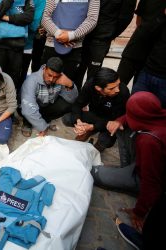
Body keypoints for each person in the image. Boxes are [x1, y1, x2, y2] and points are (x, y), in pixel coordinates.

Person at [91, 91, 166, 237]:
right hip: (148, 164)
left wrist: (139, 212)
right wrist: (120, 120)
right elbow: (128, 118)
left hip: (150, 180)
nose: (128, 116)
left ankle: (131, 184)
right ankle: (126, 171)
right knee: (119, 127)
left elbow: (152, 184)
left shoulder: (149, 141)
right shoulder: (159, 115)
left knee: (96, 174)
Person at [62, 67, 130, 152]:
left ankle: (96, 149)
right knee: (67, 118)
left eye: (118, 84)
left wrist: (93, 127)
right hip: (94, 115)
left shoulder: (123, 93)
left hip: (109, 121)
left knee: (106, 141)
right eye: (111, 88)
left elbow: (116, 121)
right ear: (98, 88)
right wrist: (79, 122)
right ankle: (89, 131)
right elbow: (78, 104)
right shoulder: (90, 85)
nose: (117, 90)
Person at [75, 0, 136, 90]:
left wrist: (109, 34)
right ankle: (75, 100)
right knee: (77, 71)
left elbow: (125, 18)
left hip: (101, 38)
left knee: (93, 76)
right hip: (81, 35)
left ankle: (88, 100)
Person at [0, 0, 34, 106]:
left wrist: (6, 18)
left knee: (13, 82)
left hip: (17, 46)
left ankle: (10, 111)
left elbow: (28, 17)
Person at [41, 0, 99, 82]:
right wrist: (58, 34)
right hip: (51, 45)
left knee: (69, 84)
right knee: (45, 82)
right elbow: (45, 17)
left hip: (75, 47)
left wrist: (71, 36)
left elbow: (92, 19)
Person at [21, 57, 78, 137]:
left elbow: (72, 100)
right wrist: (43, 127)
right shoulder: (31, 81)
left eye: (55, 77)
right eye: (49, 75)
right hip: (31, 106)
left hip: (46, 105)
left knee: (66, 105)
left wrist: (70, 85)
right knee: (27, 110)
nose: (51, 79)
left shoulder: (61, 78)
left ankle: (44, 120)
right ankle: (27, 123)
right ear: (44, 69)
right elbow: (28, 109)